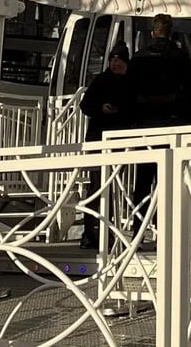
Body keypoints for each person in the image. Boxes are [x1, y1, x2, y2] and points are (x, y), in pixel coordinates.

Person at [126, 14, 191, 236]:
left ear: (152, 33)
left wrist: (133, 120)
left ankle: (138, 229)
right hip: (173, 124)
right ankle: (168, 230)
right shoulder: (180, 57)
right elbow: (190, 92)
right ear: (171, 33)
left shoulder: (139, 58)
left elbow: (129, 92)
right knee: (171, 180)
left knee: (143, 179)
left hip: (145, 125)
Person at [78, 43, 130, 250]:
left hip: (120, 139)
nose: (115, 64)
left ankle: (108, 232)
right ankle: (89, 233)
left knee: (113, 186)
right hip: (97, 137)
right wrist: (101, 108)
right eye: (112, 60)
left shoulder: (131, 82)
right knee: (97, 185)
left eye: (119, 60)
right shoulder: (101, 80)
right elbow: (84, 105)